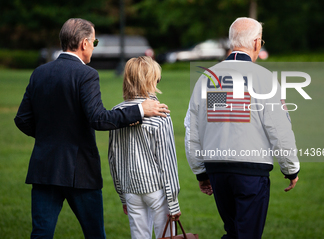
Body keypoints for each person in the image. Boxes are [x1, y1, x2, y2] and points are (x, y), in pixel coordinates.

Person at [14, 18, 170, 239]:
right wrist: (140, 110)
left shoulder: (39, 72)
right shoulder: (86, 74)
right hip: (81, 171)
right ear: (84, 43)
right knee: (95, 234)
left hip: (44, 167)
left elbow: (22, 119)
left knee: (41, 233)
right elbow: (99, 119)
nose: (93, 48)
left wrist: (49, 136)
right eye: (94, 43)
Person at [184, 17, 300, 239]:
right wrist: (290, 167)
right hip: (251, 171)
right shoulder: (264, 78)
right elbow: (278, 128)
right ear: (257, 42)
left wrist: (200, 171)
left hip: (218, 169)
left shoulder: (209, 78)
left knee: (234, 232)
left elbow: (193, 128)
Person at [108, 56, 181, 239]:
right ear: (152, 79)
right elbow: (168, 162)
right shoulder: (160, 113)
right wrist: (173, 203)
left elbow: (113, 159)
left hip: (130, 188)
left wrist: (122, 195)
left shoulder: (116, 113)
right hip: (156, 190)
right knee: (166, 236)